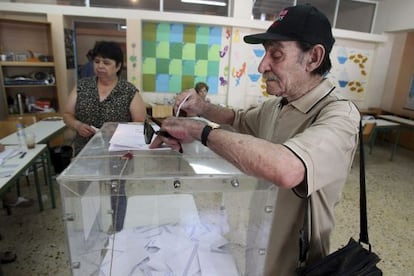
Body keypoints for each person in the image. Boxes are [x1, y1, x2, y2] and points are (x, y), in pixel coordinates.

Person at [150, 4, 360, 275]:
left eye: (276, 55)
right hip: (257, 244)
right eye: (265, 54)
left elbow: (287, 169)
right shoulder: (278, 105)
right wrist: (201, 108)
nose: (263, 66)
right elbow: (236, 118)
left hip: (294, 263)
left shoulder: (339, 115)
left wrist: (197, 131)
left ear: (313, 58)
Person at [63, 41, 147, 156]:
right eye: (97, 61)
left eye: (106, 63)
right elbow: (67, 114)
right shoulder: (82, 86)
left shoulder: (128, 91)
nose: (100, 66)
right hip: (85, 151)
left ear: (118, 66)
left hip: (118, 151)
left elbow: (140, 123)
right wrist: (78, 126)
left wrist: (118, 129)